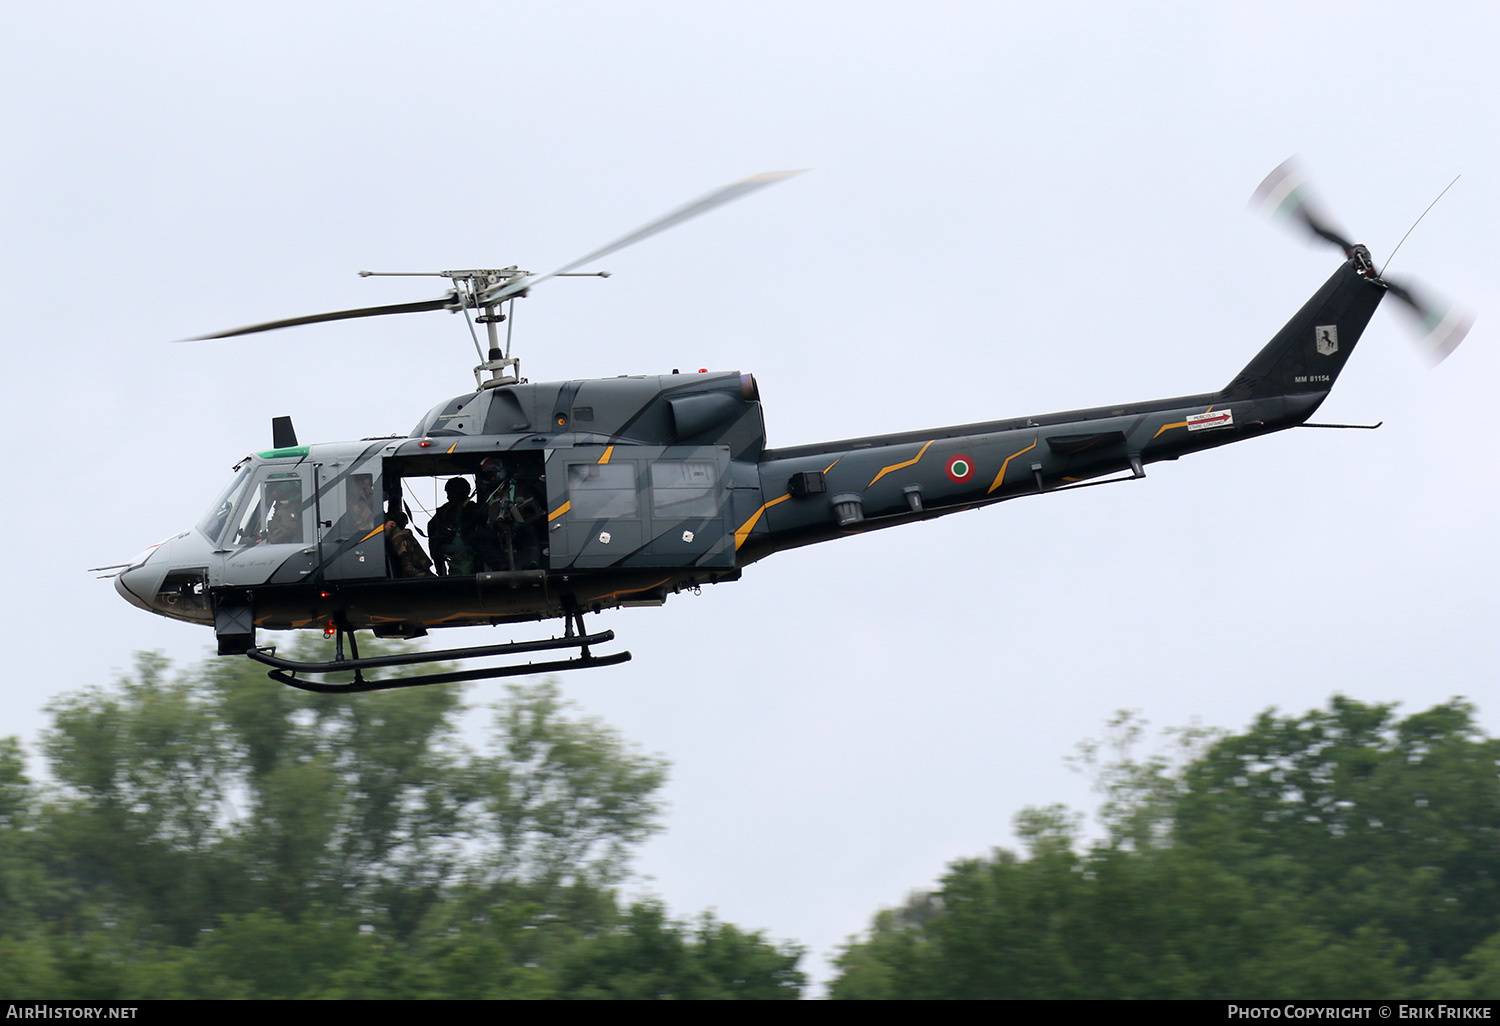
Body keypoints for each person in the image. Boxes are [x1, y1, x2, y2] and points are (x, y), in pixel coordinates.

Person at [428, 477, 477, 575]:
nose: (448, 497)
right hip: (460, 545)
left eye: (449, 493)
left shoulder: (471, 508)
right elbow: (432, 526)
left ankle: (441, 573)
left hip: (465, 546)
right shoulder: (445, 510)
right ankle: (441, 572)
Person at [385, 508, 434, 578]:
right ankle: (407, 566)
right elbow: (367, 525)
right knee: (396, 531)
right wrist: (383, 526)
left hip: (384, 532)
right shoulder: (365, 505)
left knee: (407, 533)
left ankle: (424, 568)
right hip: (374, 534)